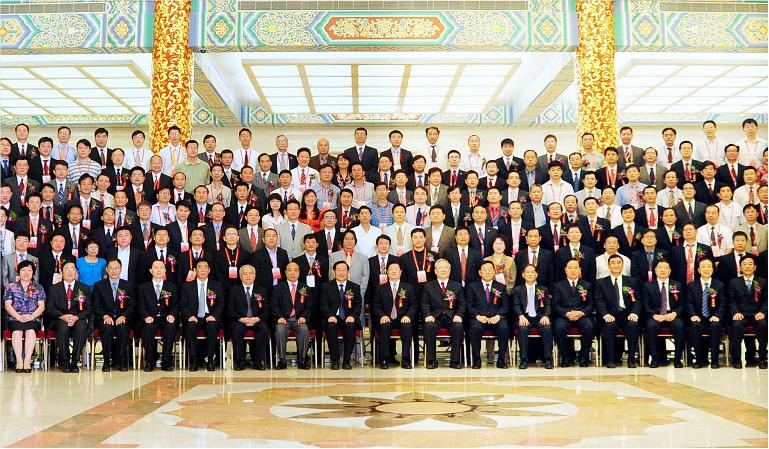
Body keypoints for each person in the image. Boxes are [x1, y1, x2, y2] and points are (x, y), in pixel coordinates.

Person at [595, 254, 642, 368]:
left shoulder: (632, 281)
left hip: (627, 314)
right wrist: (605, 314)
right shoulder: (601, 282)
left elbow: (638, 300)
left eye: (618, 263)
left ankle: (631, 359)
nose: (616, 265)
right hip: (610, 314)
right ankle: (611, 359)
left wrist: (634, 313)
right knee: (609, 326)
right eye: (613, 263)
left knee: (632, 325)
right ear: (608, 266)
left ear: (623, 265)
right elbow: (599, 301)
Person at [46, 261, 91, 373]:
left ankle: (75, 362)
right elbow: (50, 308)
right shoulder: (53, 288)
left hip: (78, 318)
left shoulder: (84, 288)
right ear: (61, 272)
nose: (70, 271)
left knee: (81, 327)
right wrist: (63, 316)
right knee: (63, 328)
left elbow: (88, 308)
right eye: (66, 269)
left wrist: (76, 317)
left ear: (76, 272)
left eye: (72, 269)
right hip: (59, 319)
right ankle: (65, 362)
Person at [180, 259, 225, 371]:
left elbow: (221, 304)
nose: (203, 270)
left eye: (206, 267)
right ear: (195, 270)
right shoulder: (187, 286)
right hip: (194, 316)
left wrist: (214, 316)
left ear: (209, 270)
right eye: (200, 267)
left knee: (212, 326)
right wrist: (189, 316)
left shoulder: (217, 286)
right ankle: (194, 360)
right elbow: (183, 305)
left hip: (210, 316)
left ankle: (210, 360)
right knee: (190, 326)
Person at [3, 260, 46, 373]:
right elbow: (7, 305)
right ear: (18, 272)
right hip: (15, 318)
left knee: (30, 332)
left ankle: (27, 361)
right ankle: (19, 361)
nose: (26, 273)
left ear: (33, 273)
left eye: (29, 270)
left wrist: (31, 316)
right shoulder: (11, 287)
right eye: (23, 270)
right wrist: (18, 316)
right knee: (17, 332)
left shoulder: (38, 287)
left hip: (33, 319)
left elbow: (41, 306)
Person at [422, 259, 465, 369]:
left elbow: (462, 303)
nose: (443, 270)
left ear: (449, 270)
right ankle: (431, 360)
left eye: (446, 268)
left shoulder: (457, 286)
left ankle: (455, 361)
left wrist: (459, 315)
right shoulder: (428, 286)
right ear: (435, 271)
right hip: (434, 317)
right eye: (440, 268)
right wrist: (428, 315)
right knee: (429, 327)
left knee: (458, 327)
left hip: (452, 317)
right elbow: (424, 303)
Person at [92, 258, 134, 372]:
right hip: (105, 318)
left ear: (121, 269)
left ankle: (121, 361)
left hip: (122, 317)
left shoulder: (128, 285)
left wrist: (124, 316)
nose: (114, 271)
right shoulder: (99, 285)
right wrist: (104, 316)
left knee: (123, 328)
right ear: (107, 269)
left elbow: (131, 306)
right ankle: (106, 361)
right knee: (107, 328)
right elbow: (96, 306)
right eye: (111, 268)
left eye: (116, 268)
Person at [466, 261, 510, 369]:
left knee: (504, 328)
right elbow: (469, 305)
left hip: (496, 318)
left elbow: (505, 306)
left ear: (494, 272)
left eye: (490, 269)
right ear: (480, 272)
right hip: (479, 318)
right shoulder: (472, 287)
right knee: (475, 328)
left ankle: (501, 359)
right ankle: (477, 359)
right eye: (484, 269)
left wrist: (498, 316)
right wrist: (477, 316)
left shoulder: (501, 287)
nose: (487, 271)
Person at [552, 259, 595, 367]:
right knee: (559, 327)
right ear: (565, 270)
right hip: (564, 316)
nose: (573, 270)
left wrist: (582, 313)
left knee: (589, 326)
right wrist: (566, 313)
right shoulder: (558, 286)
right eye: (570, 268)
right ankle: (565, 357)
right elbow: (555, 305)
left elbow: (591, 304)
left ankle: (584, 357)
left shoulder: (587, 285)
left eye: (576, 268)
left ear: (580, 270)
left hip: (582, 315)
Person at [642, 260, 685, 368]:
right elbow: (645, 304)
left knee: (680, 326)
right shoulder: (647, 286)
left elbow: (683, 304)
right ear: (655, 270)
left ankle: (677, 359)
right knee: (651, 326)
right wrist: (654, 315)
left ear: (670, 271)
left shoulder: (677, 285)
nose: (662, 270)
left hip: (672, 315)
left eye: (666, 268)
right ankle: (655, 358)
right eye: (660, 267)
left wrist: (675, 313)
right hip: (656, 315)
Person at [373, 261, 416, 369]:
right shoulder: (380, 288)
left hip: (403, 318)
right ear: (387, 272)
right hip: (386, 318)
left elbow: (413, 305)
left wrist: (408, 316)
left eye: (396, 269)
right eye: (391, 269)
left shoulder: (408, 288)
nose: (394, 271)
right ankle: (384, 358)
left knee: (407, 326)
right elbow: (376, 306)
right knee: (385, 326)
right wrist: (382, 316)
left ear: (400, 272)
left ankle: (405, 358)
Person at [137, 259, 178, 372]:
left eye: (161, 268)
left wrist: (172, 315)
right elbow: (140, 306)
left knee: (171, 327)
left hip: (166, 318)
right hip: (150, 318)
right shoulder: (143, 287)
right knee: (148, 327)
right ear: (151, 270)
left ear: (165, 270)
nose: (158, 270)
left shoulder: (172, 287)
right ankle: (149, 361)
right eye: (156, 267)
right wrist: (146, 316)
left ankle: (166, 361)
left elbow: (175, 306)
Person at [320, 261, 362, 370]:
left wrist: (353, 316)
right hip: (332, 318)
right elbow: (323, 304)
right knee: (331, 327)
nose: (341, 272)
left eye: (344, 270)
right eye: (338, 270)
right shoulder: (326, 286)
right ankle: (335, 360)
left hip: (348, 318)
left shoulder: (354, 287)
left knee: (351, 327)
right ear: (333, 272)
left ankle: (347, 360)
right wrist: (329, 316)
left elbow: (358, 305)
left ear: (348, 272)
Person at [728, 254, 767, 369]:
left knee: (763, 325)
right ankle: (736, 360)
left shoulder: (763, 282)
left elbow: (767, 300)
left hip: (757, 314)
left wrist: (763, 312)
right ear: (740, 267)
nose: (747, 266)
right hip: (741, 314)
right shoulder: (734, 282)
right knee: (736, 326)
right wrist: (735, 312)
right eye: (744, 264)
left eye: (750, 264)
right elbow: (731, 301)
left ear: (755, 267)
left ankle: (762, 359)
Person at [272, 261, 312, 370]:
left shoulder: (305, 288)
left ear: (299, 272)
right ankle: (282, 360)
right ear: (285, 272)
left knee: (304, 329)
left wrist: (304, 317)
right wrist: (279, 317)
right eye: (290, 270)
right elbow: (274, 306)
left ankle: (302, 359)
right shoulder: (278, 288)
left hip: (299, 320)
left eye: (295, 270)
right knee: (280, 329)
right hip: (284, 320)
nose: (292, 273)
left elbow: (309, 306)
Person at [228, 264, 269, 371]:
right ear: (240, 276)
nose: (248, 276)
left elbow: (266, 310)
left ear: (254, 276)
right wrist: (241, 319)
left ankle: (258, 361)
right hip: (240, 320)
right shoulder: (233, 290)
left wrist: (257, 318)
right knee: (237, 329)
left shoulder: (261, 290)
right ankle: (239, 361)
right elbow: (230, 310)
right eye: (245, 274)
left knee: (263, 328)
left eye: (250, 273)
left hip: (257, 319)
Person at [512, 264, 553, 369]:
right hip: (525, 317)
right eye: (527, 272)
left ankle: (548, 359)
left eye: (532, 272)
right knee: (522, 328)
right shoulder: (517, 290)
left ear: (536, 274)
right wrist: (521, 316)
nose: (530, 274)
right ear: (523, 275)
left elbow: (548, 305)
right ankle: (523, 360)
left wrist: (546, 316)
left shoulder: (543, 289)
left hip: (540, 317)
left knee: (547, 328)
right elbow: (516, 305)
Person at [687, 258, 725, 369]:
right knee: (695, 327)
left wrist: (717, 315)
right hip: (698, 318)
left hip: (714, 318)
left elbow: (723, 303)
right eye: (703, 267)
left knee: (715, 326)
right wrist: (693, 315)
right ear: (698, 270)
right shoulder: (692, 285)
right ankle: (699, 360)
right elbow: (689, 303)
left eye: (709, 266)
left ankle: (714, 360)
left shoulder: (719, 285)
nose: (706, 269)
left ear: (713, 269)